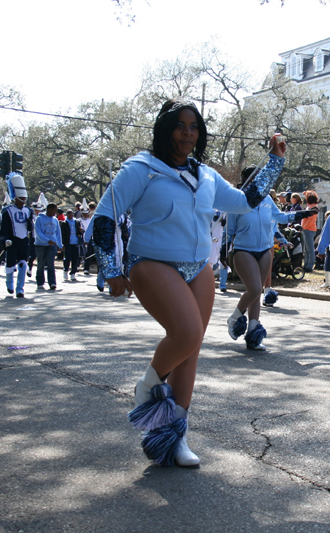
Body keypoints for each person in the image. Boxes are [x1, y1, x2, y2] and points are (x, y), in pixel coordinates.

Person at [93, 99, 291, 468]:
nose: (188, 133)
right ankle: (149, 384)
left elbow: (245, 201)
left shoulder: (207, 175)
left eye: (194, 127)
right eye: (180, 125)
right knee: (184, 334)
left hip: (198, 266)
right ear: (165, 129)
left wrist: (275, 161)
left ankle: (173, 436)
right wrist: (109, 268)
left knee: (192, 348)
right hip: (151, 262)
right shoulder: (141, 169)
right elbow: (105, 217)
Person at [227, 166, 316, 350]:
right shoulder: (238, 200)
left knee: (257, 293)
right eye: (257, 178)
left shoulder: (267, 198)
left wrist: (300, 214)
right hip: (244, 249)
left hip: (265, 249)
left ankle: (253, 334)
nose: (261, 180)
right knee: (254, 289)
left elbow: (281, 217)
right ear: (247, 180)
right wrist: (222, 251)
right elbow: (230, 230)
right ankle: (234, 318)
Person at [0, 173, 33, 298]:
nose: (23, 201)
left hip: (24, 241)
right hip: (12, 240)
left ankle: (20, 288)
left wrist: (30, 225)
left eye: (25, 198)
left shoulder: (28, 211)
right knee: (10, 264)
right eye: (21, 198)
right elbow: (5, 228)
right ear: (16, 198)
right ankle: (9, 283)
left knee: (23, 264)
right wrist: (4, 240)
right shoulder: (7, 211)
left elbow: (30, 227)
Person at [34, 203, 63, 291]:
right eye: (54, 210)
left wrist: (60, 244)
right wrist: (47, 240)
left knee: (51, 263)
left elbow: (58, 233)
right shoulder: (39, 219)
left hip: (52, 245)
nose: (55, 212)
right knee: (41, 263)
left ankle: (52, 283)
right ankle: (40, 282)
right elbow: (38, 232)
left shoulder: (55, 220)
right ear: (49, 209)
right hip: (41, 245)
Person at [60, 209, 83, 282]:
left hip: (75, 242)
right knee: (67, 258)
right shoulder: (64, 223)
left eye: (72, 214)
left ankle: (73, 273)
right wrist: (62, 244)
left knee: (75, 258)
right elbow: (62, 234)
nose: (71, 215)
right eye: (69, 214)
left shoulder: (77, 222)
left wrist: (81, 231)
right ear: (67, 215)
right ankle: (66, 270)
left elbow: (79, 232)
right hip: (68, 243)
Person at [301, 191, 319, 271]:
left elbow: (310, 220)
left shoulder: (313, 208)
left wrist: (304, 227)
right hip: (307, 229)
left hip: (309, 229)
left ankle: (309, 265)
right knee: (307, 249)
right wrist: (306, 193)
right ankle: (306, 264)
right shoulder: (311, 206)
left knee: (310, 249)